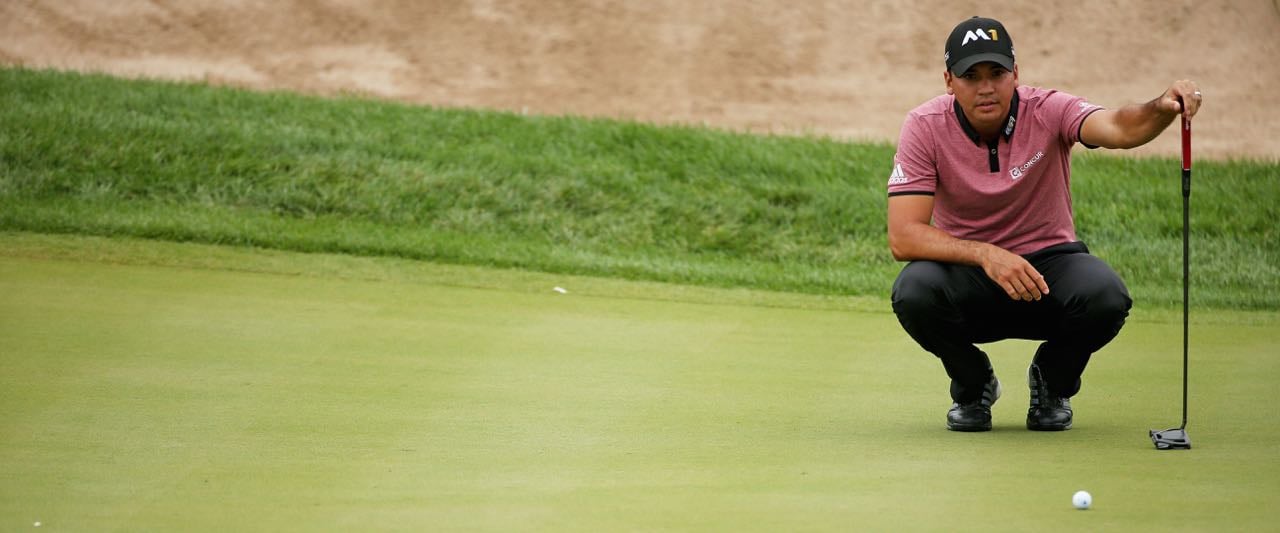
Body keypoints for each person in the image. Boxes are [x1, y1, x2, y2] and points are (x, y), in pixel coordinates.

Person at [886, 16, 1202, 432]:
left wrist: (1160, 107)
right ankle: (973, 383)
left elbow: (1119, 128)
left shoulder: (1049, 109)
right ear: (949, 81)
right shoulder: (924, 126)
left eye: (997, 73)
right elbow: (903, 236)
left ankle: (1052, 382)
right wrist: (987, 255)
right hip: (971, 279)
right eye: (970, 75)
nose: (986, 87)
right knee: (914, 291)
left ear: (1015, 73)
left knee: (1105, 294)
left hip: (1048, 272)